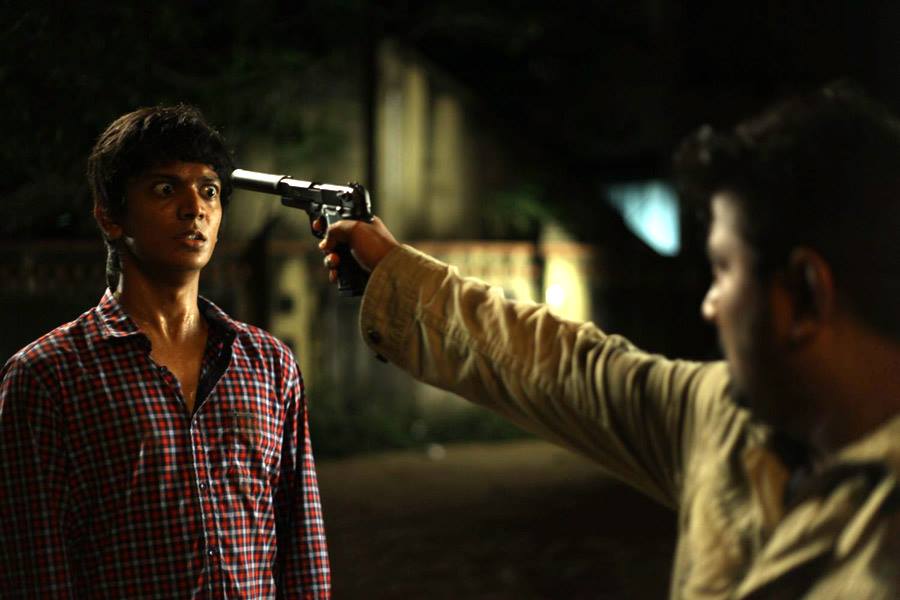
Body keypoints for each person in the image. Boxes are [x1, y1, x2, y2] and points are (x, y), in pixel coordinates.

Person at [318, 82, 900, 598]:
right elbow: (563, 369)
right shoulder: (725, 421)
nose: (710, 304)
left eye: (725, 271)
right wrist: (394, 272)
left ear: (805, 293)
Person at [0, 105, 330, 598]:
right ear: (109, 216)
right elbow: (34, 566)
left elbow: (302, 547)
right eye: (164, 189)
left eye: (209, 190)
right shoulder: (48, 375)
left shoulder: (269, 364)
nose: (194, 207)